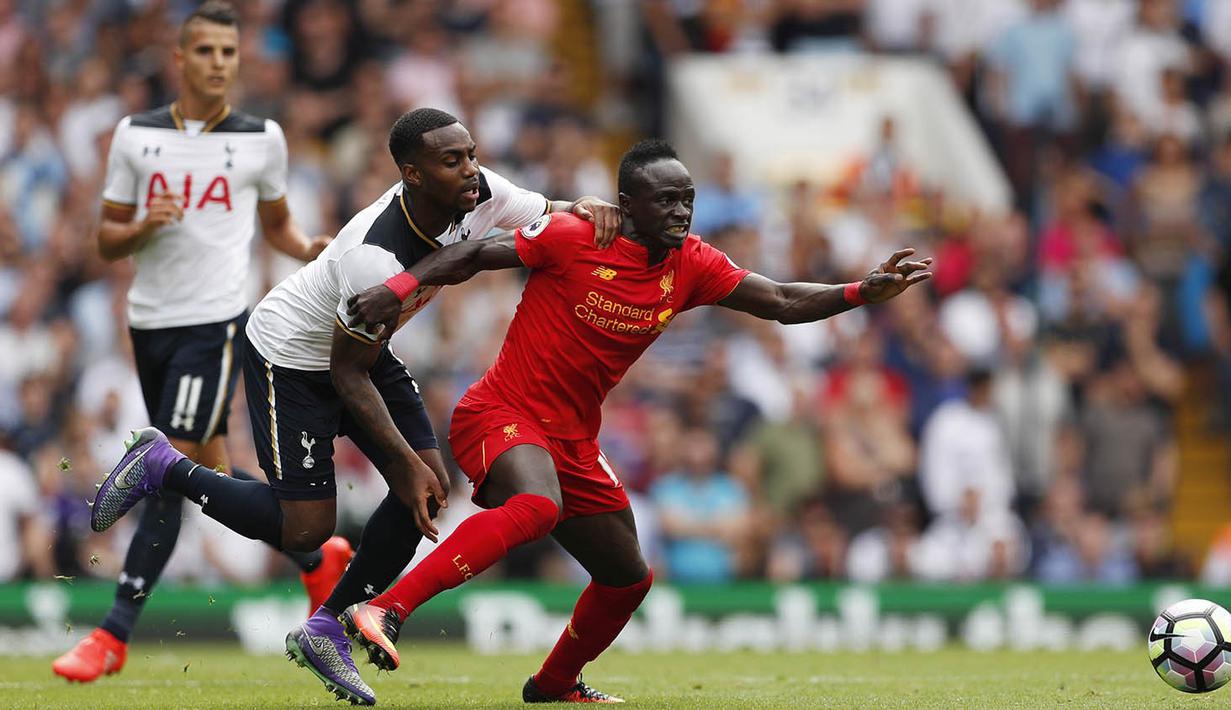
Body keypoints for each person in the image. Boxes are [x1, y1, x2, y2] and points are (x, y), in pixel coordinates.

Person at [339, 139, 931, 703]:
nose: (681, 212)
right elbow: (473, 251)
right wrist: (400, 287)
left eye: (688, 199)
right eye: (666, 200)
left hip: (572, 439)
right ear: (628, 205)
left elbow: (779, 300)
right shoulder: (574, 235)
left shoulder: (692, 264)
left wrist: (858, 292)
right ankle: (386, 609)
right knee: (537, 507)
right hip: (501, 412)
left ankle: (553, 685)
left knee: (628, 577)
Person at [88, 107, 619, 705]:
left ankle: (326, 628)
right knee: (307, 526)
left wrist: (586, 204)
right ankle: (164, 465)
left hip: (366, 352)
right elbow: (344, 372)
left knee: (426, 488)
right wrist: (403, 461)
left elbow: (551, 212)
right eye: (453, 160)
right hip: (292, 358)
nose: (472, 169)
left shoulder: (483, 191)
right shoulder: (375, 255)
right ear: (412, 176)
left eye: (470, 153)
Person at [53, 2, 342, 684]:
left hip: (216, 325)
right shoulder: (135, 136)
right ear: (179, 60)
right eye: (205, 51)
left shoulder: (260, 138)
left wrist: (307, 247)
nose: (218, 63)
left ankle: (112, 633)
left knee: (166, 467)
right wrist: (143, 226)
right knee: (208, 472)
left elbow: (276, 224)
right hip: (149, 322)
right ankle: (314, 554)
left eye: (228, 53)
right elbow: (105, 238)